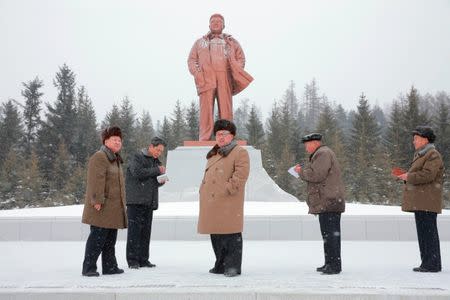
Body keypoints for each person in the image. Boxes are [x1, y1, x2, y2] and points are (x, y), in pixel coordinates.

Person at [188, 14, 253, 141]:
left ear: (224, 25)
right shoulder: (199, 43)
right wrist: (198, 74)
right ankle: (205, 137)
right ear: (209, 25)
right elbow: (191, 61)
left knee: (226, 108)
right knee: (206, 110)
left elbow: (241, 59)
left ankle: (226, 136)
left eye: (219, 21)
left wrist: (235, 70)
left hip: (225, 77)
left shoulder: (232, 42)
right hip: (206, 79)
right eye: (213, 21)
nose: (216, 23)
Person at [198, 119, 250, 277]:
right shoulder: (214, 153)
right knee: (216, 234)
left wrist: (228, 188)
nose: (220, 137)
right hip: (211, 201)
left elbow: (241, 175)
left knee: (231, 234)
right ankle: (220, 264)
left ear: (232, 136)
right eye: (218, 134)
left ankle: (232, 266)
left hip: (228, 200)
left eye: (224, 134)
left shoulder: (239, 152)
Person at [295, 133, 345, 275]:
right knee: (329, 235)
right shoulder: (323, 153)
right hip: (328, 201)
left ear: (315, 143)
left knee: (331, 235)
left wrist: (300, 172)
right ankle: (330, 263)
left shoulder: (322, 153)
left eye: (307, 145)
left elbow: (316, 175)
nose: (306, 148)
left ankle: (334, 265)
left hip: (328, 201)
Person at [396, 126, 444, 272]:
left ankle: (433, 264)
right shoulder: (422, 154)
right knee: (423, 234)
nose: (413, 142)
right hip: (421, 202)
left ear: (425, 139)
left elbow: (427, 175)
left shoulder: (433, 155)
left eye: (416, 139)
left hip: (427, 201)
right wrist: (406, 176)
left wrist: (408, 176)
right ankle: (427, 263)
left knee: (428, 234)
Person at [81, 126, 127, 277]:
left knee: (109, 240)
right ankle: (89, 268)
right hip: (102, 206)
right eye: (114, 139)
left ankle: (110, 267)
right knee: (97, 240)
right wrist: (96, 200)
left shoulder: (115, 159)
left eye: (119, 140)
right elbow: (95, 180)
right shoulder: (100, 157)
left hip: (113, 209)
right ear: (106, 141)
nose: (118, 142)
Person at [125, 137, 167, 269]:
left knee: (145, 233)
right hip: (136, 201)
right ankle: (133, 261)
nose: (159, 153)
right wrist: (157, 171)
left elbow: (150, 180)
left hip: (149, 202)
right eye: (157, 149)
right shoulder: (137, 156)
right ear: (151, 146)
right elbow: (137, 173)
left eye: (161, 151)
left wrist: (160, 181)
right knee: (134, 233)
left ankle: (144, 259)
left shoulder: (155, 161)